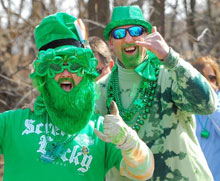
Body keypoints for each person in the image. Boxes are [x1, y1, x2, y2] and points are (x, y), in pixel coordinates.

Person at [0, 12, 155, 181]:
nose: (66, 73)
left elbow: (143, 172)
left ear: (87, 73)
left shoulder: (101, 130)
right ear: (43, 75)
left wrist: (128, 140)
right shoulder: (11, 124)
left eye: (75, 65)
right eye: (56, 65)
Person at [95, 5, 217, 181]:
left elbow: (208, 104)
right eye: (120, 34)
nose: (129, 39)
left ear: (147, 35)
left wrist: (170, 57)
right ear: (111, 42)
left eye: (136, 31)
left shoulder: (169, 75)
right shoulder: (100, 90)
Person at [192, 56, 220, 181]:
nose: (208, 83)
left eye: (211, 78)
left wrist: (210, 100)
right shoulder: (187, 107)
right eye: (202, 79)